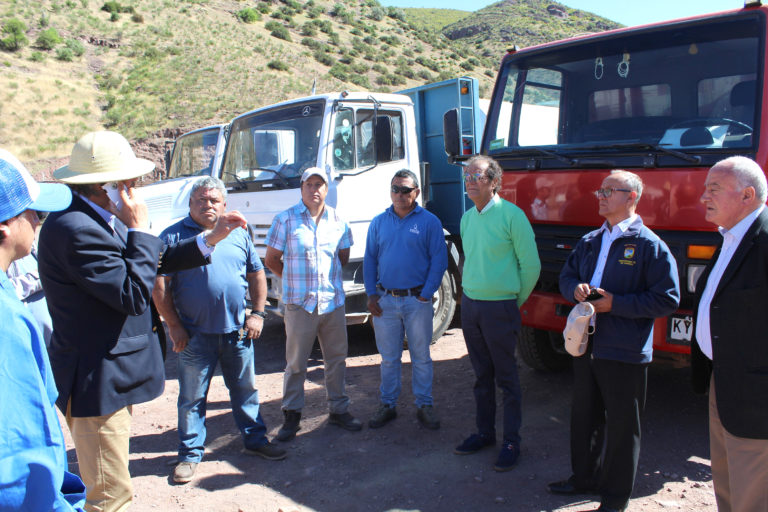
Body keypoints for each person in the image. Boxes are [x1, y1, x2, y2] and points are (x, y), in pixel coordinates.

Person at [38, 131, 247, 512]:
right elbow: (134, 293)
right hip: (96, 380)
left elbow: (150, 259)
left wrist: (210, 239)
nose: (134, 189)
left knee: (112, 488)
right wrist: (138, 228)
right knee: (109, 497)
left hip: (110, 375)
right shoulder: (76, 229)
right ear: (107, 186)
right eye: (129, 182)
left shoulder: (97, 218)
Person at [551, 170, 680, 512]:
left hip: (624, 350)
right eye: (601, 190)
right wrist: (574, 289)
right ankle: (583, 479)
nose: (601, 196)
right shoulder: (591, 240)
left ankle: (614, 498)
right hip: (586, 344)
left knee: (623, 427)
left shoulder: (650, 245)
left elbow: (667, 299)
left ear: (632, 197)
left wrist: (616, 304)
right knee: (584, 416)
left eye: (610, 191)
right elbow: (566, 276)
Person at [153, 177, 286, 484]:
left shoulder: (238, 233)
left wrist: (258, 313)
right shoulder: (172, 237)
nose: (208, 204)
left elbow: (256, 273)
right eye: (201, 199)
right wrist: (173, 325)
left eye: (214, 200)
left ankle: (255, 441)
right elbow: (159, 284)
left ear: (225, 205)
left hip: (237, 332)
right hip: (193, 336)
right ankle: (189, 455)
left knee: (244, 391)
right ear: (190, 204)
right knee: (191, 398)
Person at [0, 149, 86, 511]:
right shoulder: (5, 322)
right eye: (32, 212)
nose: (38, 220)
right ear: (4, 228)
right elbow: (17, 467)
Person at [453, 155, 541, 472]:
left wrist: (511, 302)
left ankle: (511, 441)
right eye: (467, 175)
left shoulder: (512, 217)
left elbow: (531, 266)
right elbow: (471, 261)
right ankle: (484, 433)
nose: (470, 180)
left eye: (476, 175)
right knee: (481, 377)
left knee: (507, 379)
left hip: (500, 308)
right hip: (472, 306)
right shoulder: (467, 219)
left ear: (493, 180)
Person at [692, 156, 768, 512]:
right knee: (726, 484)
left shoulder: (764, 239)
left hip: (757, 395)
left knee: (753, 494)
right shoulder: (731, 237)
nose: (703, 196)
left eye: (714, 188)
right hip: (722, 382)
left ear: (747, 195)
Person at [265, 167, 362, 441]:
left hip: (332, 303)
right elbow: (272, 260)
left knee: (336, 360)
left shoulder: (338, 220)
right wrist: (295, 282)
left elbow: (342, 257)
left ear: (326, 188)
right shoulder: (285, 220)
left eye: (320, 184)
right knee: (296, 364)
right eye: (309, 184)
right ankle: (292, 416)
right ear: (301, 188)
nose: (314, 190)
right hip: (300, 305)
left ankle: (338, 410)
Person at [363, 169, 447, 430]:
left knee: (421, 356)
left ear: (416, 193)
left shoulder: (429, 222)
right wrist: (371, 294)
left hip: (416, 301)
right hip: (386, 301)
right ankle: (388, 405)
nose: (399, 195)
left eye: (406, 190)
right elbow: (369, 259)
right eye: (395, 189)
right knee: (389, 358)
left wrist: (426, 293)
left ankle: (424, 405)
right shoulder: (378, 222)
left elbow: (439, 260)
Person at [6, 243, 53, 347]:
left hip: (53, 342)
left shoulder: (29, 244)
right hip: (27, 345)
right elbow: (5, 291)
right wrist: (39, 276)